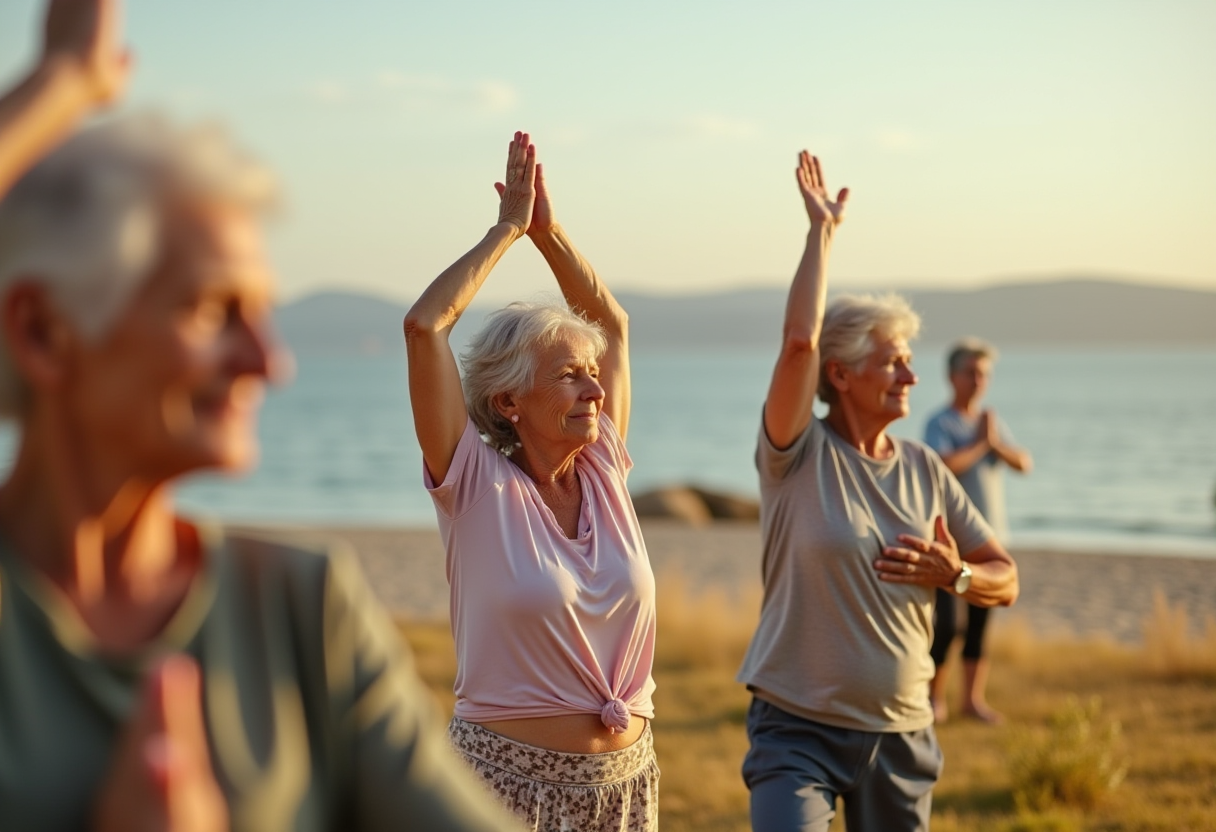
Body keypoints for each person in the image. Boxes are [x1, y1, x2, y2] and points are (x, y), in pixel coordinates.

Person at [0, 3, 520, 830]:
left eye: (264, 313)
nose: (268, 362)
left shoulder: (300, 607)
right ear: (41, 331)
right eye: (213, 311)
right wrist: (64, 84)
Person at [735, 151, 1020, 832]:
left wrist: (957, 575)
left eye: (910, 362)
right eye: (892, 361)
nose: (910, 376)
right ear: (840, 373)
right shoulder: (795, 455)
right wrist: (821, 235)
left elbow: (1005, 578)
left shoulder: (925, 467)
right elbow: (798, 341)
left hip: (901, 735)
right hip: (796, 730)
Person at [403, 131, 658, 832]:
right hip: (503, 789)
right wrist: (507, 231)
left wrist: (551, 233)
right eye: (569, 375)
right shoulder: (474, 482)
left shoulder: (604, 463)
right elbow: (426, 327)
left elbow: (612, 323)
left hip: (627, 786)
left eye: (593, 374)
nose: (595, 391)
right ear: (510, 402)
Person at [925, 339, 1033, 724]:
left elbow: (1023, 462)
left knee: (979, 628)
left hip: (991, 540)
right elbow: (941, 466)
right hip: (954, 544)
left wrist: (995, 443)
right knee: (950, 627)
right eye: (970, 372)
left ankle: (972, 701)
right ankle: (934, 699)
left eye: (983, 373)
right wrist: (980, 443)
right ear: (952, 377)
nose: (977, 380)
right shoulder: (940, 422)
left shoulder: (990, 421)